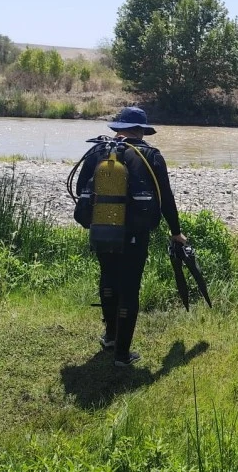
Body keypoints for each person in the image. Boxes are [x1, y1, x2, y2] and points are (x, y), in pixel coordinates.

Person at [72, 107, 186, 367]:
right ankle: (122, 355)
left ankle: (110, 337)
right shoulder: (150, 155)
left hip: (101, 230)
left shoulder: (97, 152)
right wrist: (176, 231)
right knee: (129, 287)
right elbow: (165, 198)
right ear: (141, 130)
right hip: (135, 234)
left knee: (108, 279)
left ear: (118, 127)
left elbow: (80, 190)